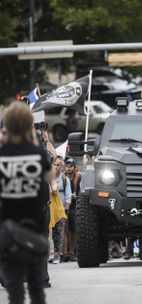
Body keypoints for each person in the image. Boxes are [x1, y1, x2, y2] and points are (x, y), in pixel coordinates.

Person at [0, 101, 54, 304]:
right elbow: (50, 177)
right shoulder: (37, 153)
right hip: (34, 221)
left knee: (14, 288)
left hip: (8, 223)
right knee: (36, 285)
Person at [49, 156, 71, 264]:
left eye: (59, 165)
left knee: (58, 234)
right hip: (48, 209)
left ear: (62, 167)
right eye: (55, 164)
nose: (56, 167)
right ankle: (50, 255)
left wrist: (66, 211)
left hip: (60, 210)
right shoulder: (47, 177)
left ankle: (58, 255)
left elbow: (68, 198)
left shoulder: (64, 180)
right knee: (48, 234)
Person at [64, 158, 82, 261]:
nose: (68, 168)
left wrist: (76, 196)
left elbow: (82, 192)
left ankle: (73, 252)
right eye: (67, 166)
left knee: (74, 230)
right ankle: (67, 252)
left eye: (70, 166)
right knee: (67, 230)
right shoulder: (64, 177)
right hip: (66, 207)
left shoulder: (79, 177)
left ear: (74, 167)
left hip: (76, 206)